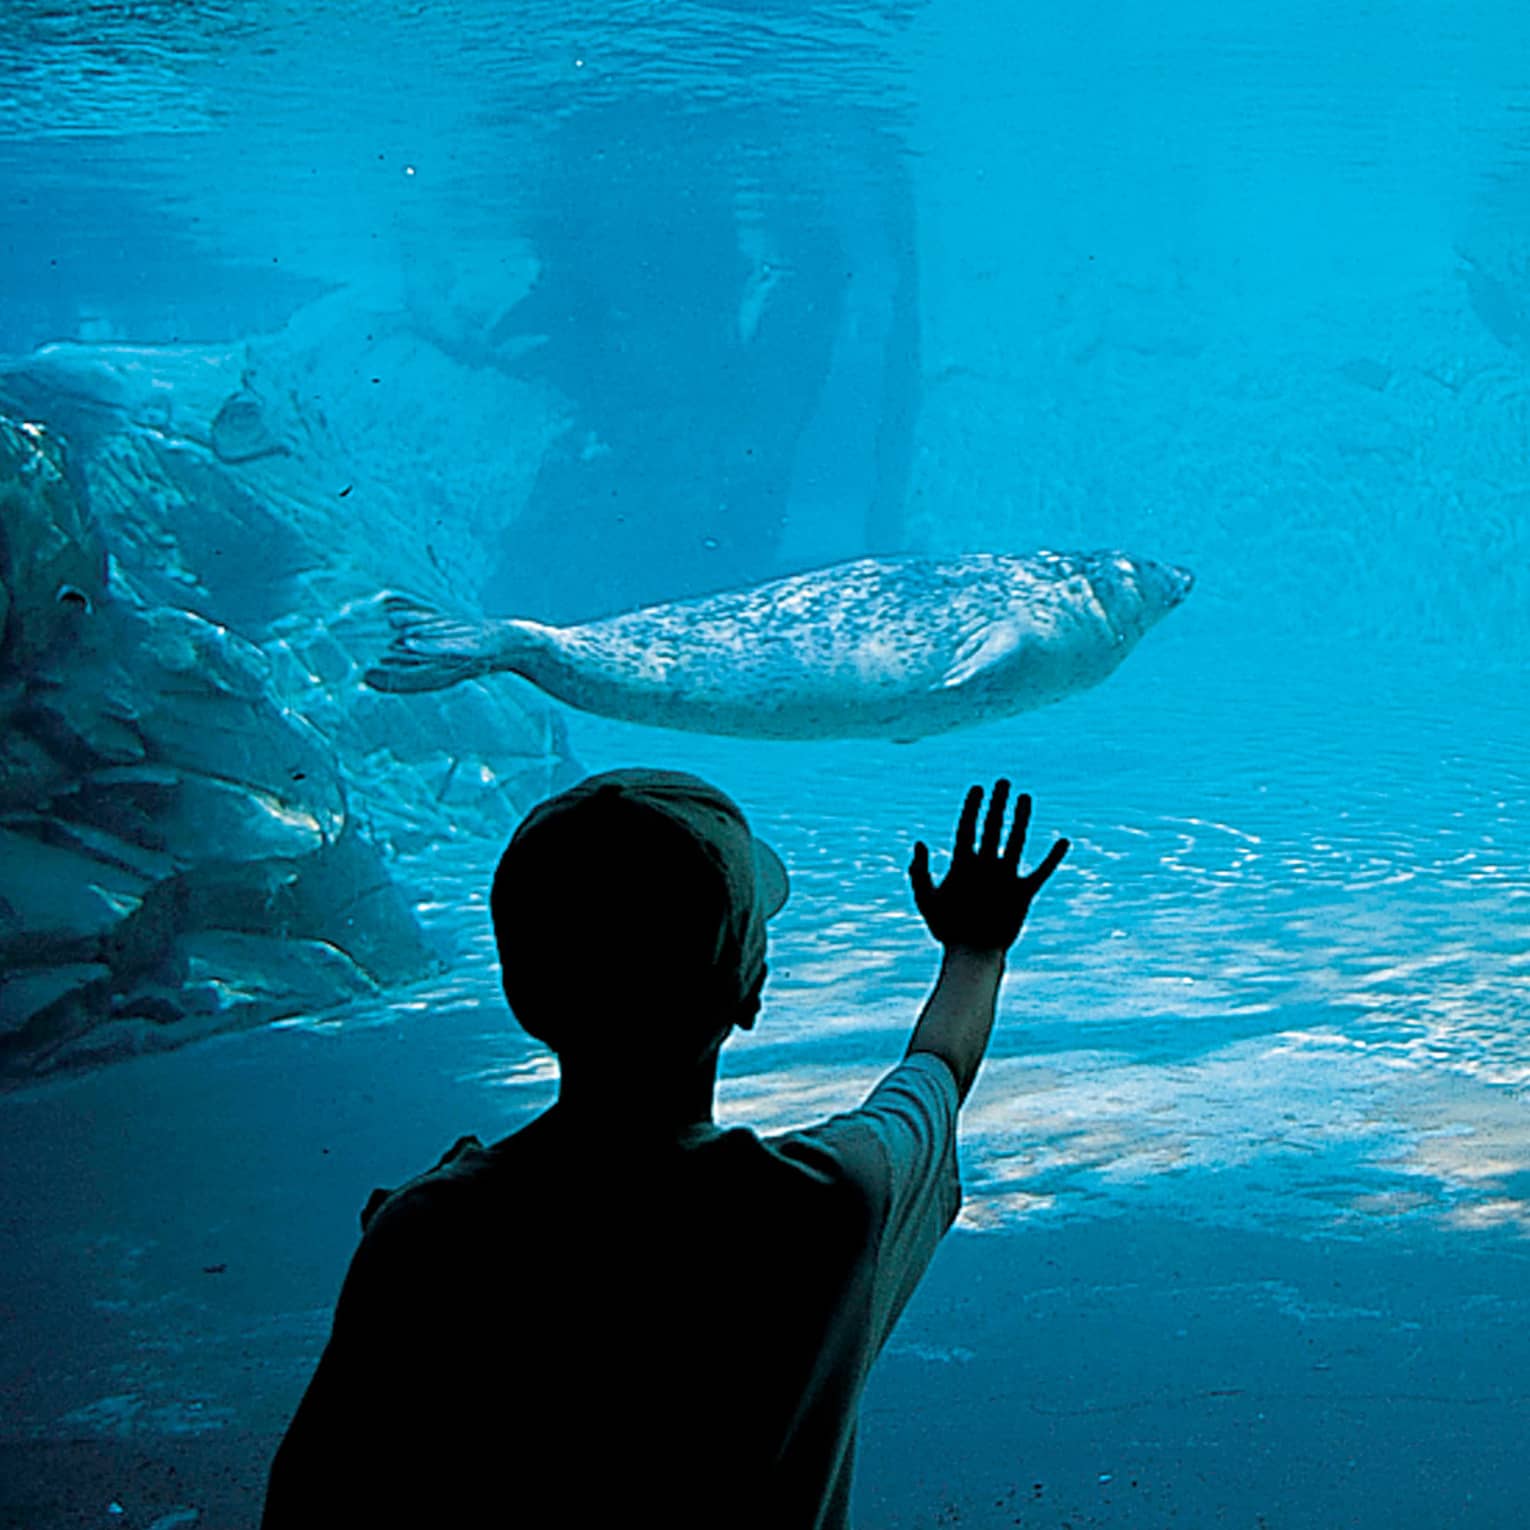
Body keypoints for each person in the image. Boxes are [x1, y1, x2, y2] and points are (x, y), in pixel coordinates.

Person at [261, 768, 1068, 1528]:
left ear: (521, 990)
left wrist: (425, 1214)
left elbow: (310, 1501)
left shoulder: (425, 1235)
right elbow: (936, 1071)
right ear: (751, 989)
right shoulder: (836, 1201)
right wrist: (976, 948)